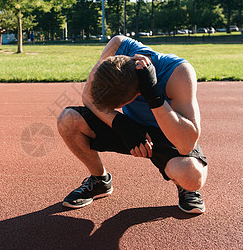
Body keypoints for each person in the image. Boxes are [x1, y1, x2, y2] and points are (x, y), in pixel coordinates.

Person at [57, 35, 208, 214]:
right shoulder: (118, 46)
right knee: (68, 119)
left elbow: (186, 144)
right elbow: (88, 98)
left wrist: (154, 96)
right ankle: (100, 181)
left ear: (136, 95)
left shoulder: (178, 72)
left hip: (168, 133)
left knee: (192, 177)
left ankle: (185, 189)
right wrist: (123, 125)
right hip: (128, 127)